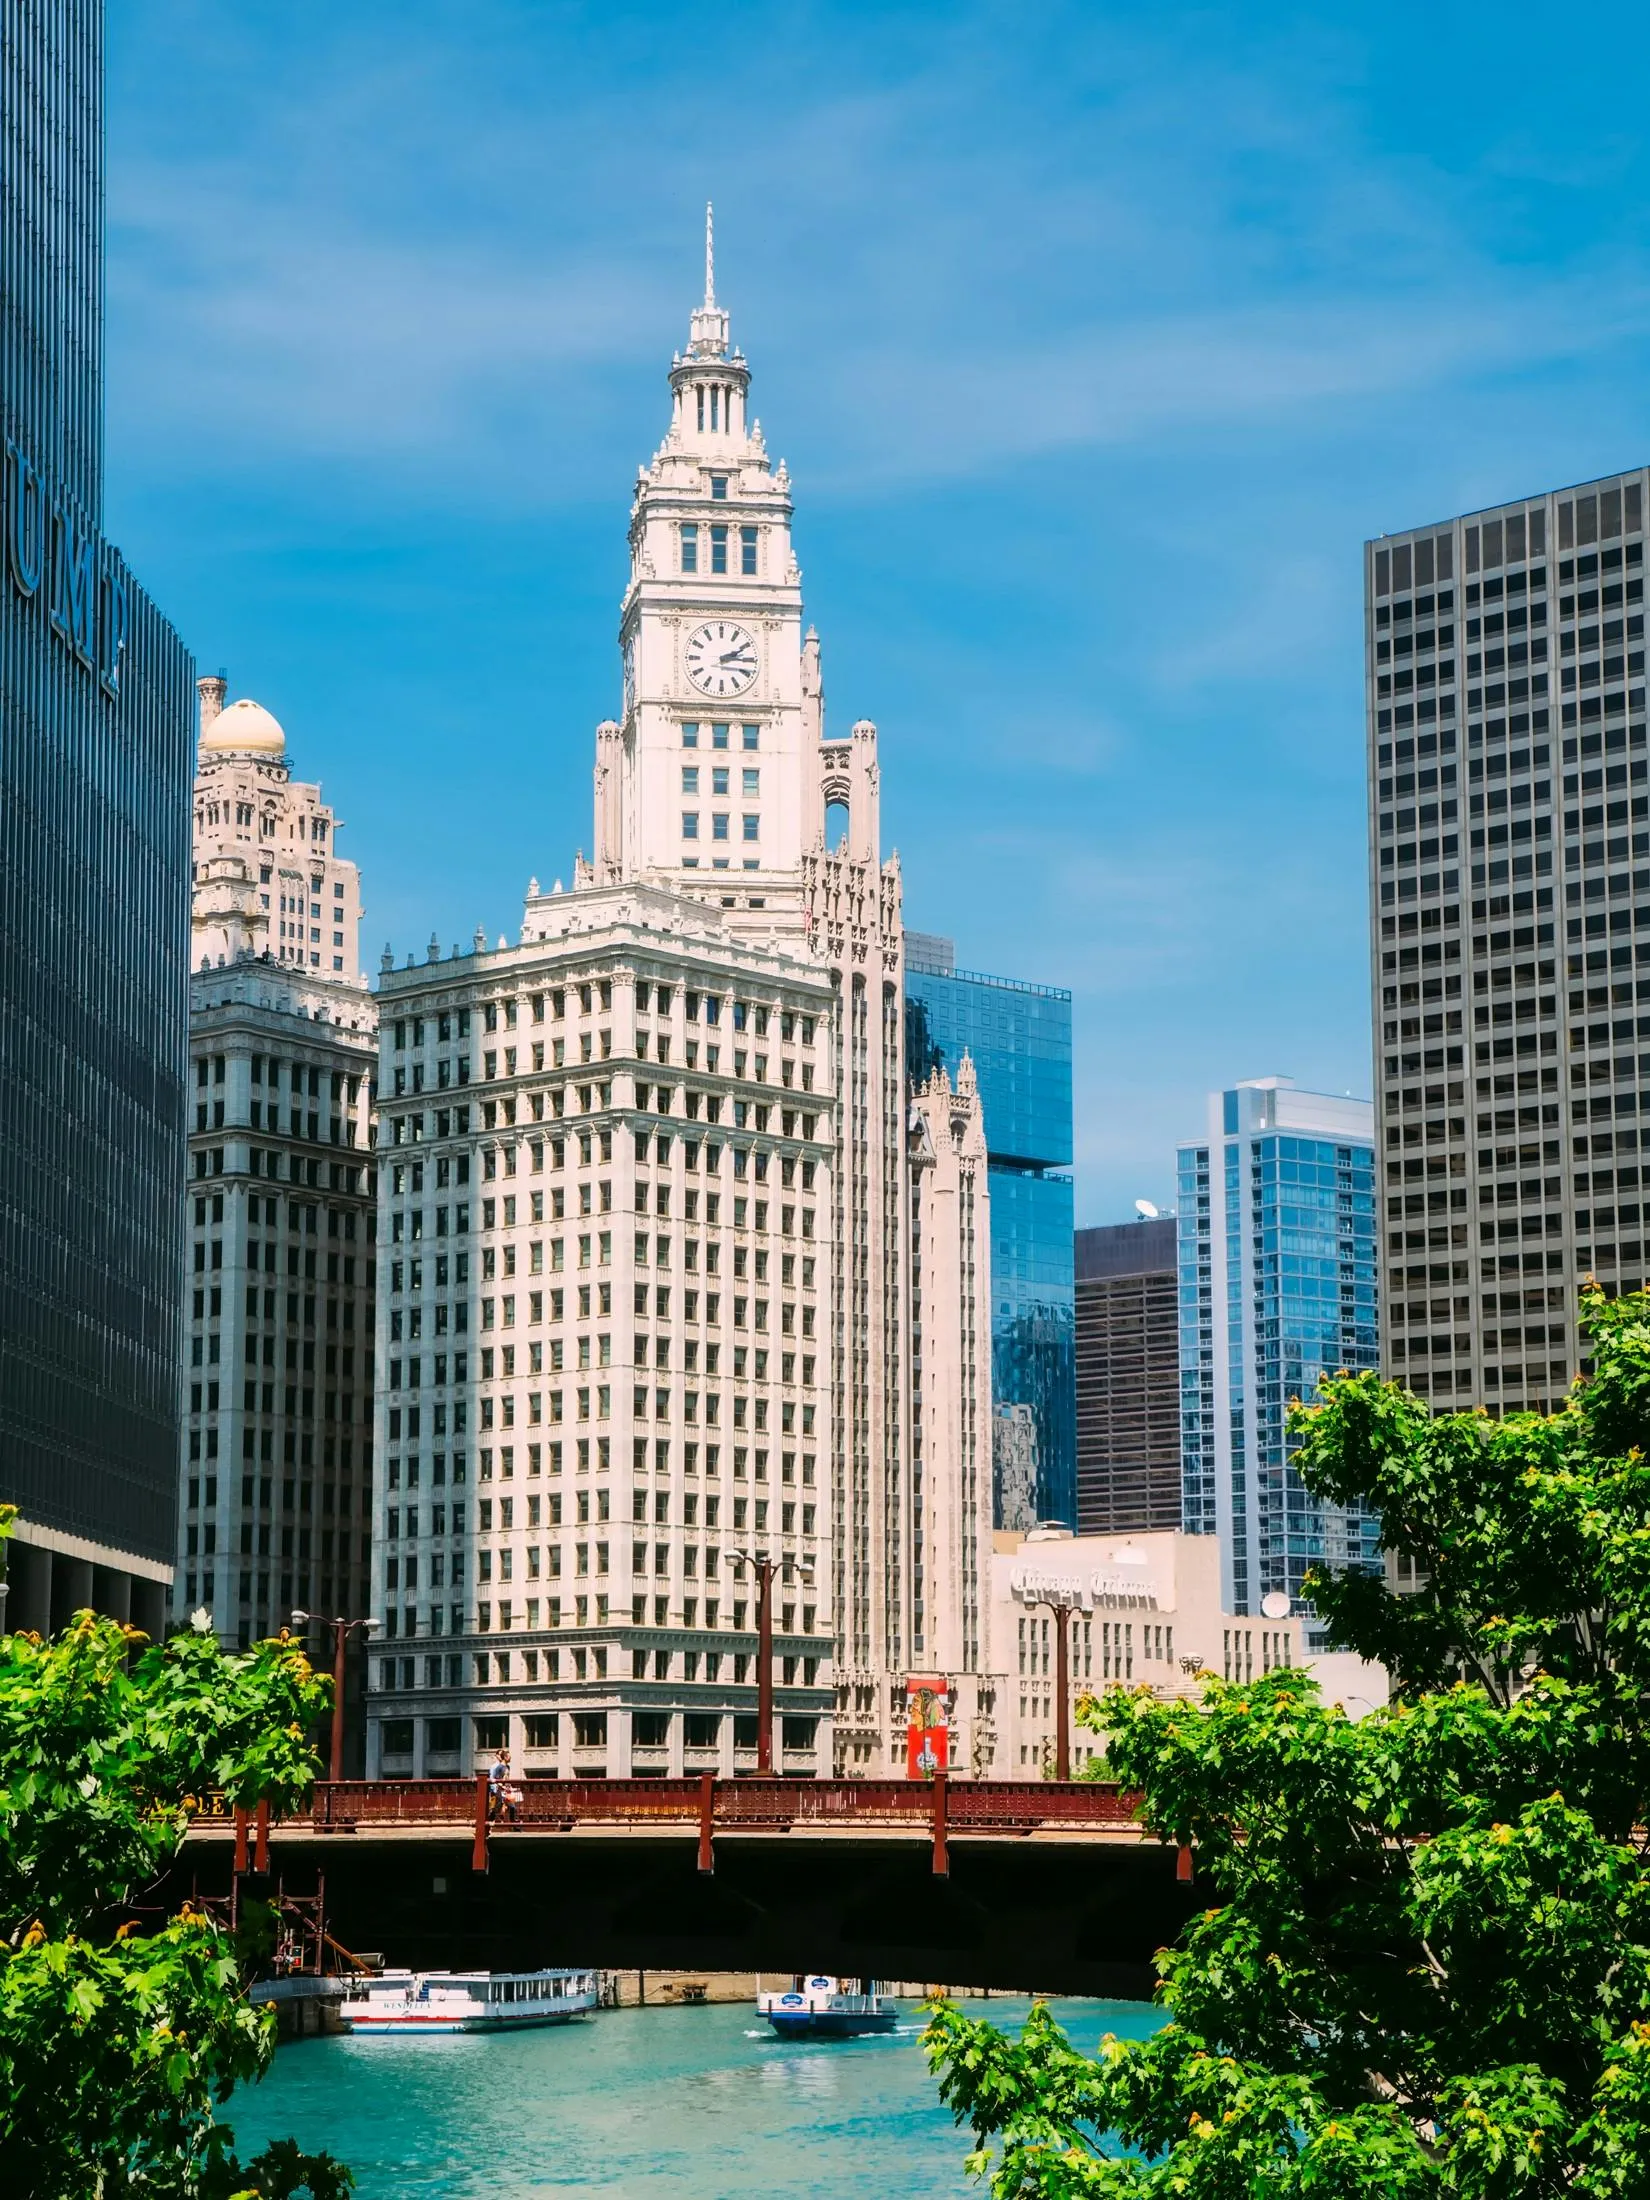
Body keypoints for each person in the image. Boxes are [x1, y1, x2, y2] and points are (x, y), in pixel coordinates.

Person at [488, 1747, 521, 1823]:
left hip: (506, 1791)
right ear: (505, 1757)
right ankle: (489, 1821)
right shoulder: (499, 1768)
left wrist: (509, 1787)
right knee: (497, 1807)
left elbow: (506, 1778)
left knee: (512, 1807)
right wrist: (502, 1787)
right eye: (509, 1757)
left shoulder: (507, 1767)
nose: (510, 1759)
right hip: (500, 1790)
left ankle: (513, 1824)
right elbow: (495, 1779)